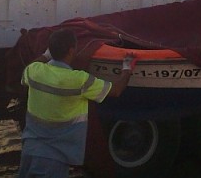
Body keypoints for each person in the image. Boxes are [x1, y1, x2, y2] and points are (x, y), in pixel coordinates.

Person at [18, 29, 136, 178]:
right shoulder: (79, 80)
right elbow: (116, 90)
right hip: (54, 156)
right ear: (71, 50)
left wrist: (45, 56)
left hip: (30, 150)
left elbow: (30, 67)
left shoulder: (34, 71)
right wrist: (127, 68)